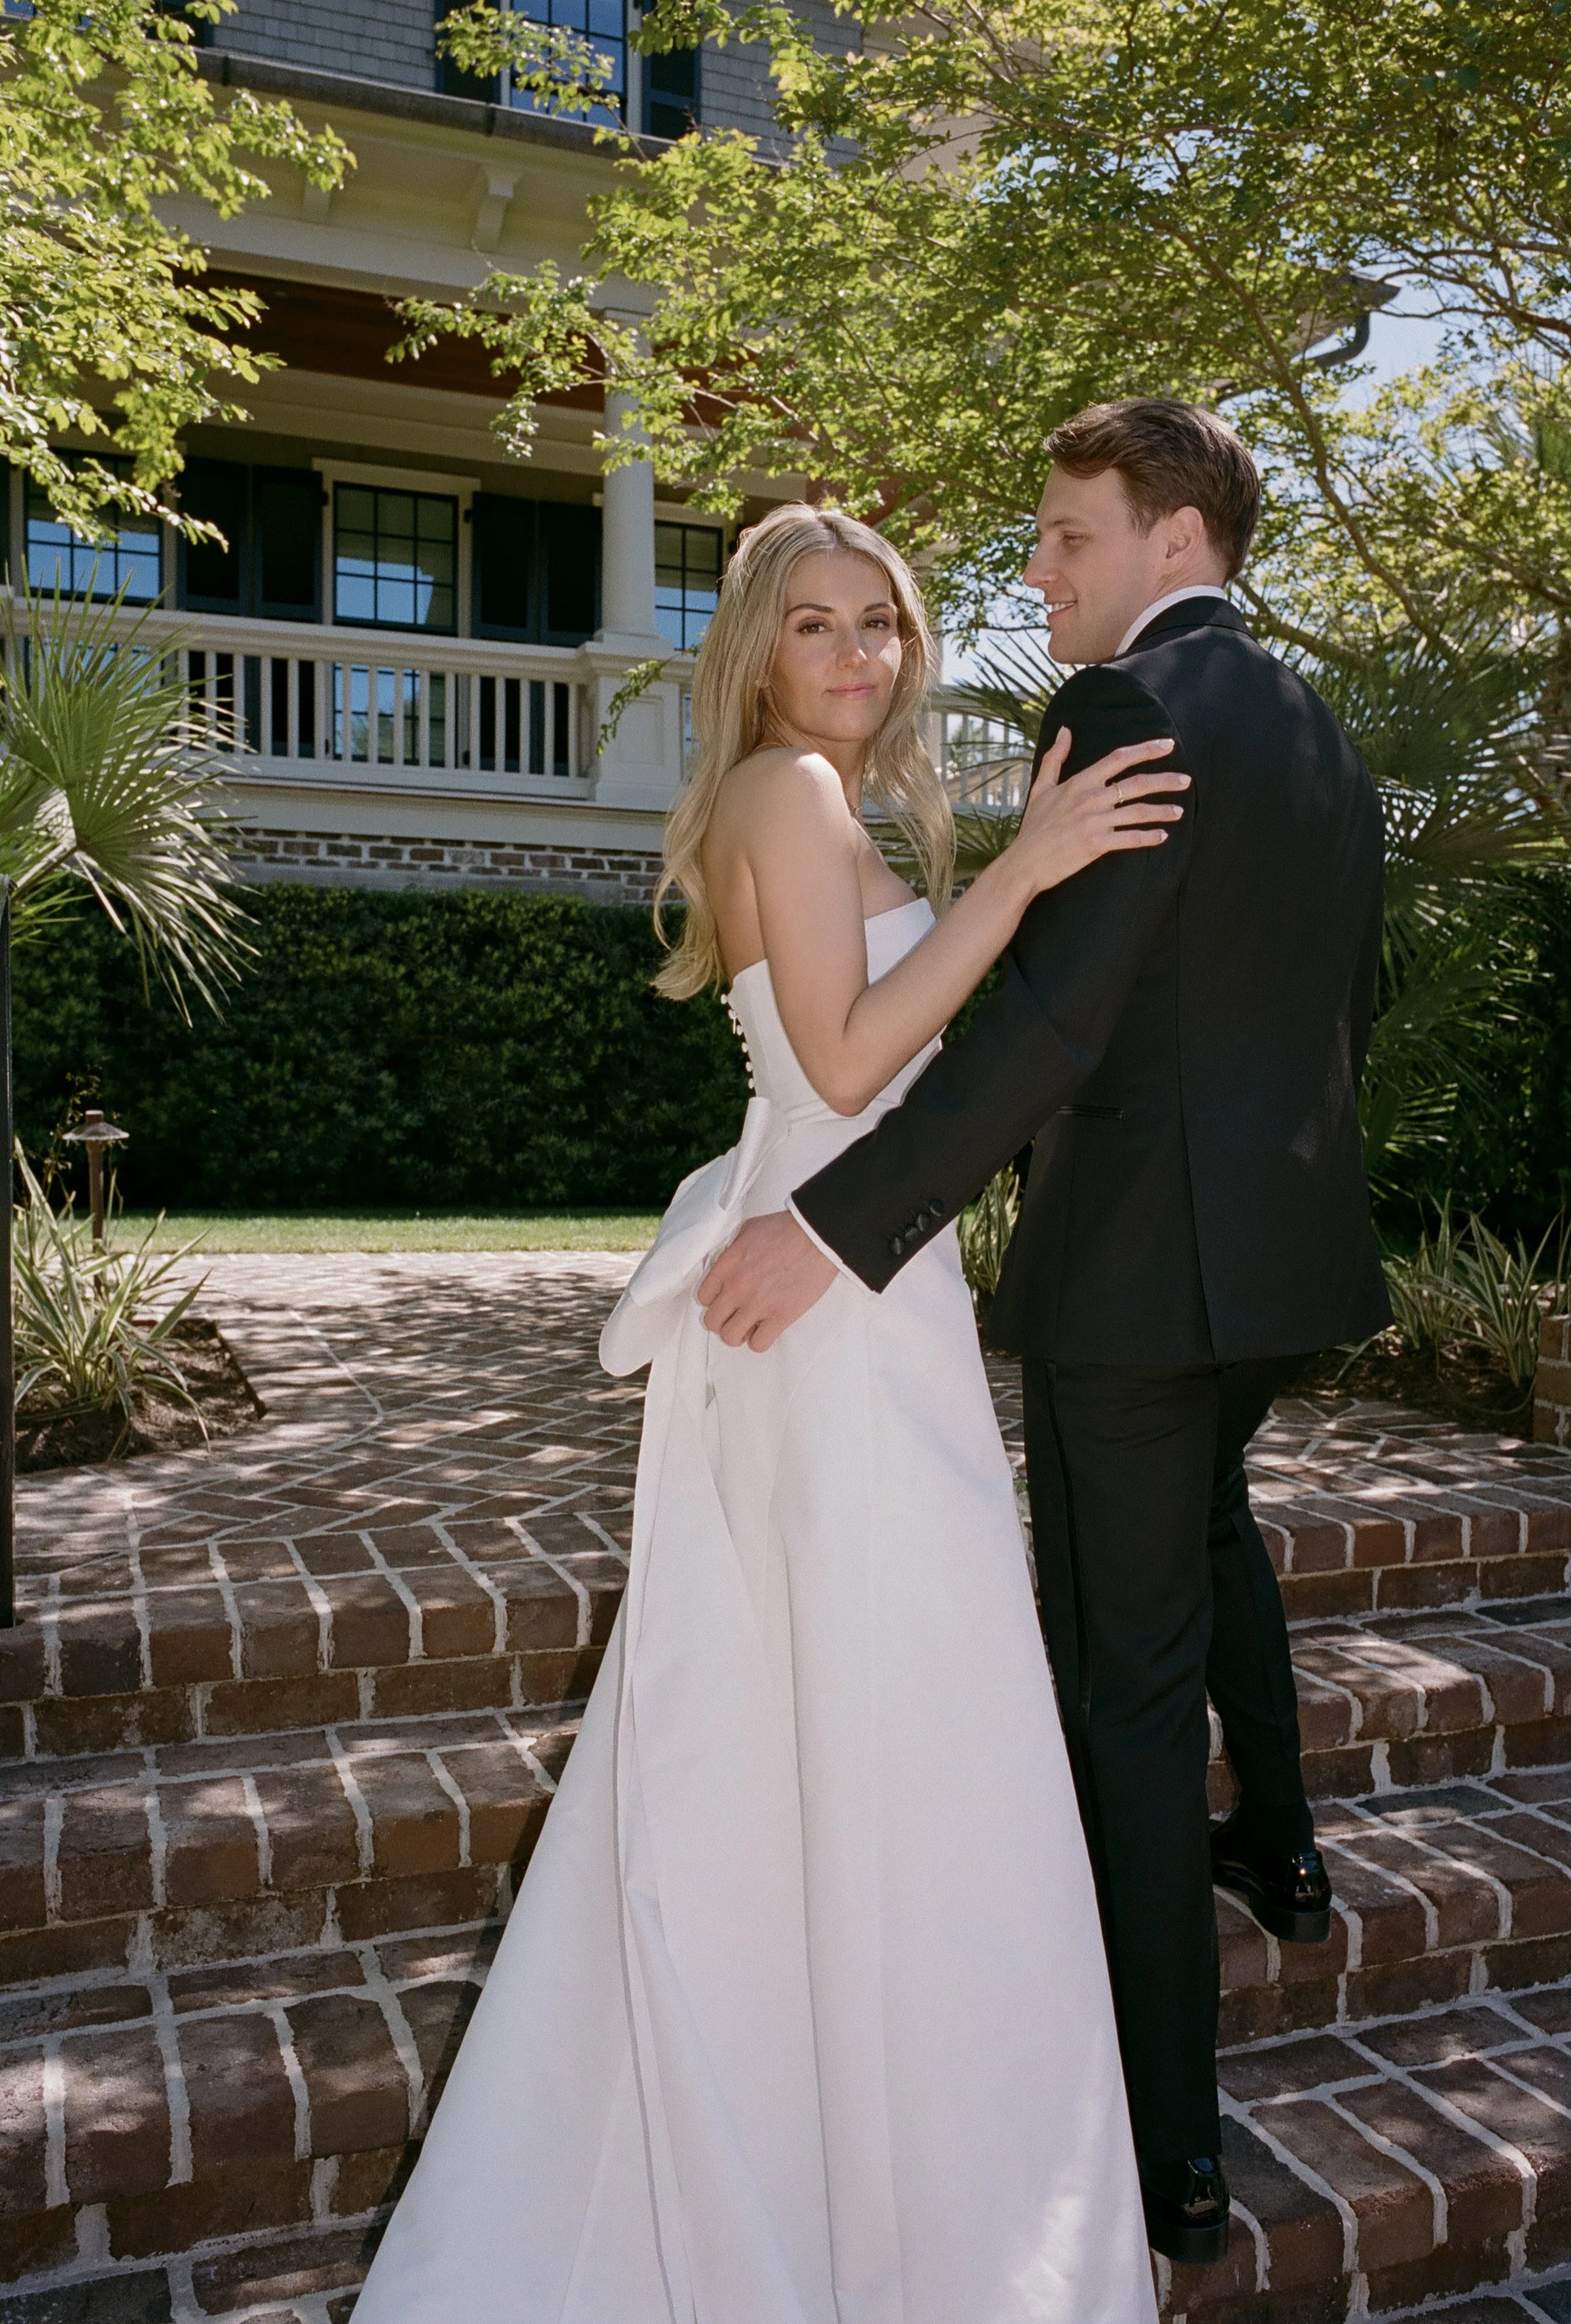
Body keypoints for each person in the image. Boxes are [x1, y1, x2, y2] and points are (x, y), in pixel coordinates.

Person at [352, 500, 1189, 2324]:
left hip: (860, 1293)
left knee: (853, 1735)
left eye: (879, 619)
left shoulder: (823, 799)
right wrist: (1035, 865)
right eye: (814, 626)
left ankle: (867, 2170)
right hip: (825, 1313)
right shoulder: (787, 797)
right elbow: (850, 1057)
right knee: (886, 1727)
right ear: (758, 649)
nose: (858, 654)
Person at [698, 401, 1390, 2267]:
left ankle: (1169, 2153)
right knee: (1210, 1522)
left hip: (1135, 1284)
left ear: (1173, 537)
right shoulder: (1323, 729)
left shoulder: (1125, 713)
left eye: (1068, 536)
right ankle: (1295, 1849)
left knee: (1131, 1694)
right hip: (1285, 1271)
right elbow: (1343, 998)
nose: (1039, 573)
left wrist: (840, 1231)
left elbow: (1055, 1032)